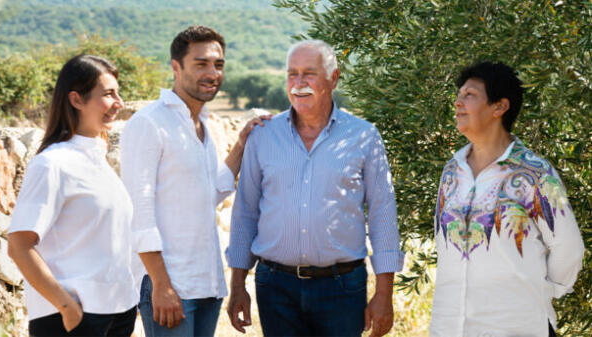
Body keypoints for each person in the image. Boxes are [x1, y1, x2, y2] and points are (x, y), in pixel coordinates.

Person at [226, 39, 404, 337]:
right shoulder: (263, 136)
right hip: (275, 289)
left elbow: (383, 213)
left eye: (309, 73)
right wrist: (237, 286)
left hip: (343, 289)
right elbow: (245, 211)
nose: (299, 83)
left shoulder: (364, 136)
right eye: (292, 74)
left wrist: (384, 295)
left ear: (333, 79)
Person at [120, 25, 268, 337]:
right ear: (176, 67)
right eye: (201, 64)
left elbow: (209, 193)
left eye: (218, 64)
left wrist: (241, 145)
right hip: (170, 286)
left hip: (206, 284)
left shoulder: (200, 124)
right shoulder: (149, 124)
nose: (212, 73)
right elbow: (139, 214)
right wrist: (161, 285)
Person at [430, 61, 585, 337]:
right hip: (450, 326)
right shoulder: (452, 171)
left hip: (517, 326)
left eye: (470, 95)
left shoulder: (535, 173)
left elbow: (568, 248)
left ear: (499, 107)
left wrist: (541, 291)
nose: (457, 103)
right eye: (459, 95)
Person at [7, 55, 138, 337]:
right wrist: (67, 307)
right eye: (108, 94)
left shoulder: (98, 158)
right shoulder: (51, 164)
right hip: (75, 319)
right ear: (77, 100)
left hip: (118, 311)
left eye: (118, 93)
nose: (119, 102)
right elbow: (19, 245)